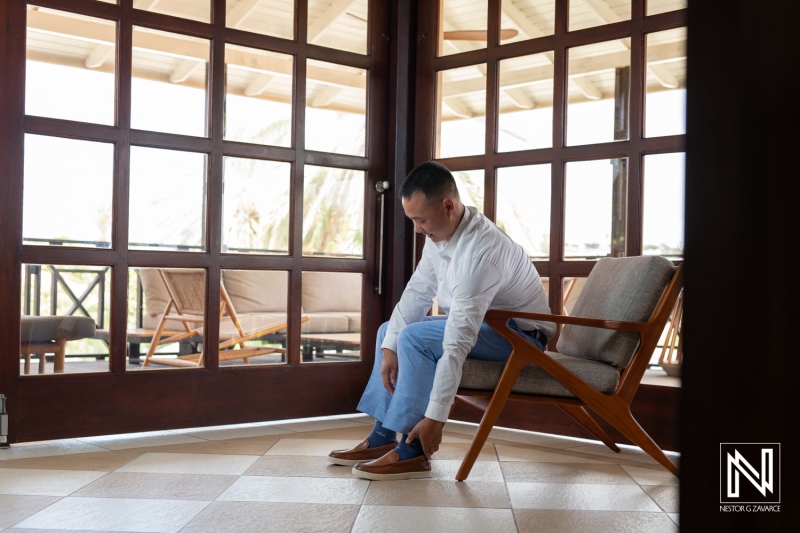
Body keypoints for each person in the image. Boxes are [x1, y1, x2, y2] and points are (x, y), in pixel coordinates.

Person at [328, 161, 555, 481]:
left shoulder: (480, 253)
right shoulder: (440, 233)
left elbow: (458, 341)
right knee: (389, 331)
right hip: (488, 326)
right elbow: (419, 291)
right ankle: (382, 437)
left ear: (448, 206)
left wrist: (436, 417)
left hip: (519, 339)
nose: (417, 229)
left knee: (413, 338)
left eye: (420, 220)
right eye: (413, 220)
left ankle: (413, 452)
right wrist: (390, 346)